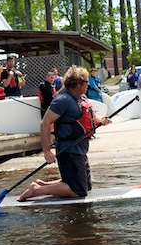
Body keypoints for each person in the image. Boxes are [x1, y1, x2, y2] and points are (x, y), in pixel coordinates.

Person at [17, 66, 111, 201]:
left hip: (81, 149)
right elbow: (44, 123)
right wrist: (47, 151)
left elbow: (91, 116)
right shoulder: (63, 100)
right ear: (78, 84)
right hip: (69, 151)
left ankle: (41, 184)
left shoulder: (81, 97)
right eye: (86, 82)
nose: (88, 85)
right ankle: (37, 190)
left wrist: (101, 120)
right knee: (79, 191)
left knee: (86, 186)